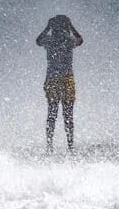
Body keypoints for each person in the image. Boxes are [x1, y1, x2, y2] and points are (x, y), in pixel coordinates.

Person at [36, 14, 83, 153]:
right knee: (68, 115)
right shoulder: (68, 41)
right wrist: (71, 26)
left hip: (52, 80)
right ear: (65, 27)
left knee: (52, 114)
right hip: (67, 79)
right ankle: (70, 146)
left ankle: (49, 146)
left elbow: (38, 41)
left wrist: (47, 27)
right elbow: (80, 40)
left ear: (53, 27)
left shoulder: (49, 41)